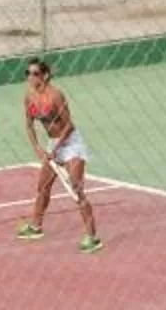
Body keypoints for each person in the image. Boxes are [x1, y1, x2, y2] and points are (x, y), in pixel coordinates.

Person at [17, 57, 102, 253]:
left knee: (76, 190)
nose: (31, 77)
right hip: (54, 143)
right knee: (43, 187)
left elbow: (69, 125)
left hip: (71, 143)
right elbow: (29, 125)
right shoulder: (29, 97)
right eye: (28, 73)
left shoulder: (56, 96)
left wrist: (54, 151)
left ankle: (93, 237)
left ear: (45, 76)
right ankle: (36, 227)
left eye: (35, 73)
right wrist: (38, 148)